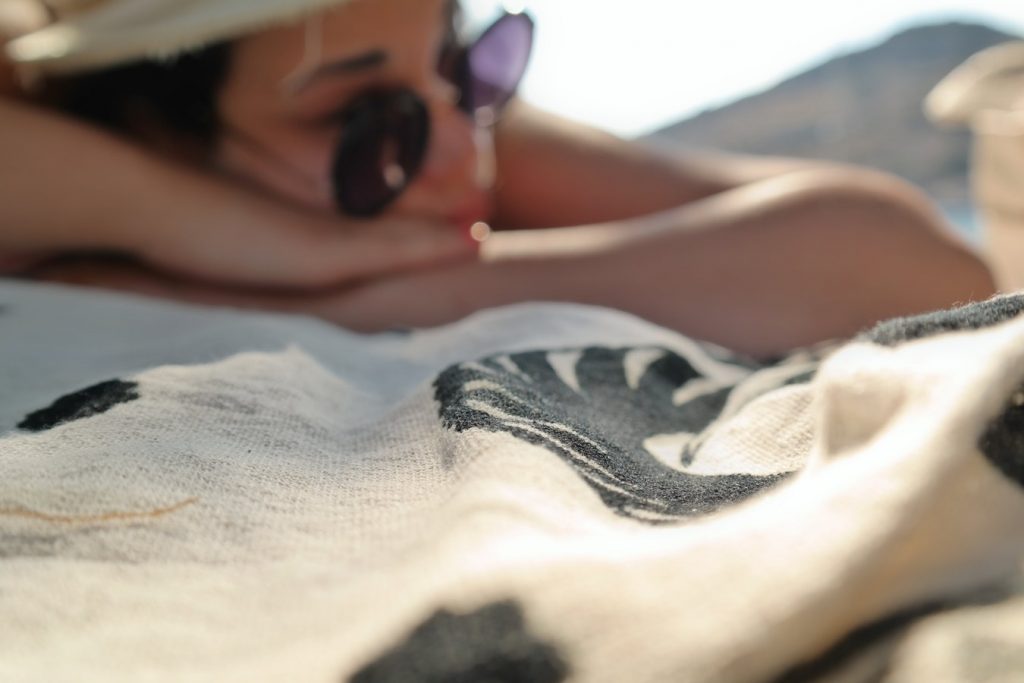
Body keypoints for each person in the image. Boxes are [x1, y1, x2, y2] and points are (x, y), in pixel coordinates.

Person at [0, 0, 996, 357]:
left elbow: (909, 261)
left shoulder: (454, 127)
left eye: (468, 62)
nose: (458, 151)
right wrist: (196, 222)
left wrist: (361, 285)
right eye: (358, 119)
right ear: (146, 130)